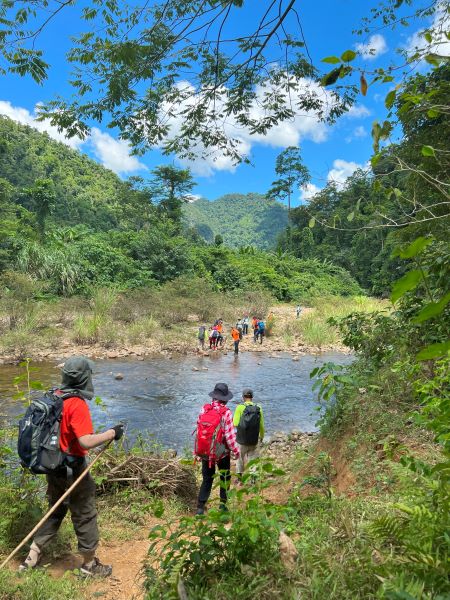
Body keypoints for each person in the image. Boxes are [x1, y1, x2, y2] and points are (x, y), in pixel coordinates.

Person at [20, 356, 124, 576]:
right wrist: (112, 433)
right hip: (72, 468)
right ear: (84, 378)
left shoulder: (56, 395)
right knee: (85, 513)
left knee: (56, 509)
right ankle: (89, 566)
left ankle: (31, 557)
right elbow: (85, 441)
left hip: (54, 466)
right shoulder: (76, 403)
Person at [196, 383, 239, 515]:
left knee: (207, 478)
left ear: (214, 396)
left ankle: (200, 508)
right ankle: (222, 506)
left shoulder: (205, 409)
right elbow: (230, 436)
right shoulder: (226, 412)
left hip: (206, 450)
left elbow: (199, 430)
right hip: (221, 452)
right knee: (225, 477)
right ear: (225, 399)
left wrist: (198, 451)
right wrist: (236, 451)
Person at [233, 389, 264, 482]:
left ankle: (239, 479)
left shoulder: (239, 407)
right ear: (252, 397)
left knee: (240, 458)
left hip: (241, 439)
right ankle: (253, 480)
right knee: (253, 458)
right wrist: (261, 436)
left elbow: (235, 423)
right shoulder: (258, 407)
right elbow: (261, 425)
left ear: (243, 397)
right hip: (254, 439)